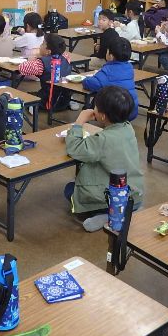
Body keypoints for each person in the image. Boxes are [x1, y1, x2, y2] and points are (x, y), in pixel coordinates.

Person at [64, 86, 143, 232]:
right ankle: (127, 210)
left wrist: (80, 121)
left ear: (102, 116)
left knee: (69, 189)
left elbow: (74, 148)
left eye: (96, 107)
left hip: (113, 198)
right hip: (134, 194)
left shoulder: (102, 139)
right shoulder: (128, 128)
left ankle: (108, 215)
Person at [83, 37, 139, 120]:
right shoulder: (129, 67)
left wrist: (85, 79)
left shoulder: (108, 71)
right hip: (132, 109)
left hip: (117, 112)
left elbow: (91, 84)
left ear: (111, 56)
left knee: (94, 102)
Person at [18, 33, 72, 111]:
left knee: (24, 96)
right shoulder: (66, 57)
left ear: (48, 51)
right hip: (65, 100)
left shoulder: (41, 64)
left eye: (43, 44)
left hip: (47, 101)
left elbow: (22, 68)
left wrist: (33, 58)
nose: (40, 45)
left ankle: (33, 108)